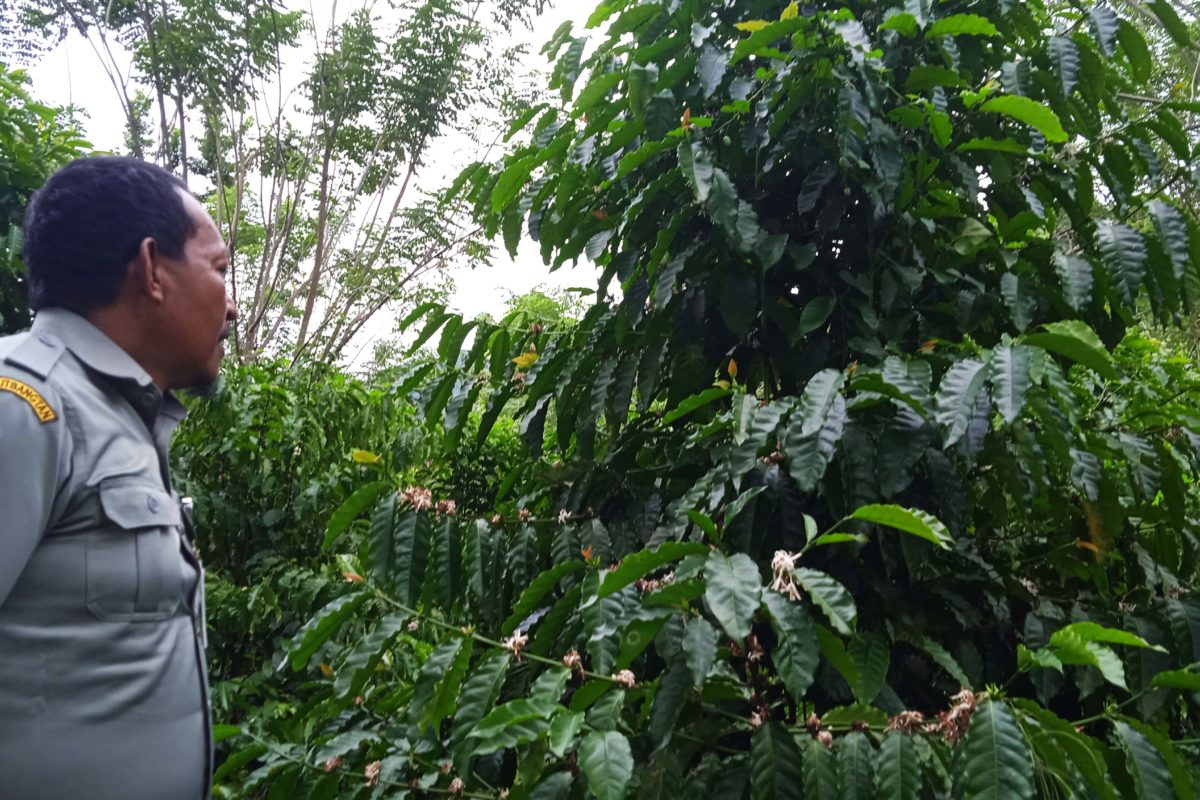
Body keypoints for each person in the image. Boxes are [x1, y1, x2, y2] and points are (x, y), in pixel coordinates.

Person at [0, 156, 235, 799]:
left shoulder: (119, 414)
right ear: (152, 270)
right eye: (219, 270)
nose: (232, 305)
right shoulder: (24, 404)